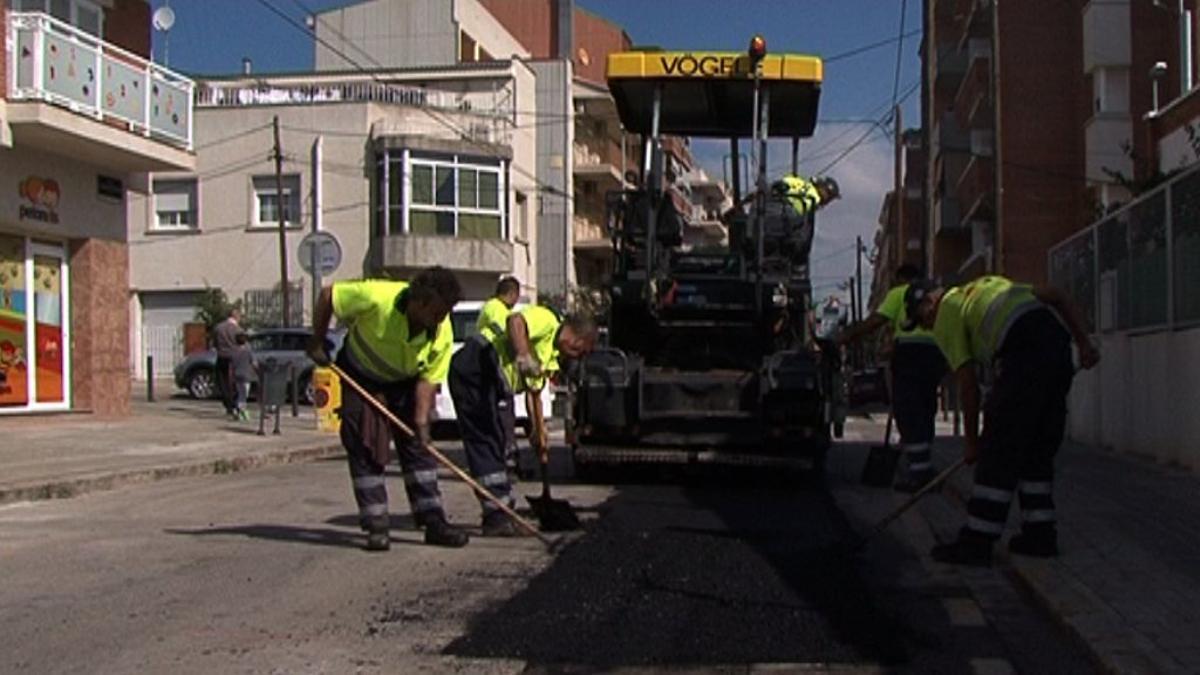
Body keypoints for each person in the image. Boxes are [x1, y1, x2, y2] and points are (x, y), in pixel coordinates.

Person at [904, 275, 1100, 566]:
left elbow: (967, 387)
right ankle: (1040, 534)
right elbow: (1057, 294)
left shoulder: (946, 313)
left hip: (1021, 352)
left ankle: (977, 542)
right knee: (1036, 450)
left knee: (997, 453)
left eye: (921, 320)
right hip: (1056, 345)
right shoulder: (990, 284)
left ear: (929, 302)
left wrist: (972, 443)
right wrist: (1084, 344)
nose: (926, 328)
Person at [307, 267, 469, 552]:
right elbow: (328, 295)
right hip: (361, 376)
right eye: (437, 313)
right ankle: (376, 525)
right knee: (365, 444)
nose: (441, 320)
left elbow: (428, 380)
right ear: (419, 303)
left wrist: (421, 423)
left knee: (419, 450)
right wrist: (317, 340)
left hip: (405, 383)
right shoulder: (379, 297)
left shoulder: (441, 332)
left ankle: (433, 521)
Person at [449, 304, 597, 536]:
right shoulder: (547, 321)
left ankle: (499, 512)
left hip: (490, 381)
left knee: (498, 443)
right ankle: (497, 517)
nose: (576, 357)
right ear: (576, 338)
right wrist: (524, 355)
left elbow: (534, 394)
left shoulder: (551, 356)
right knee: (486, 442)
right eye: (580, 351)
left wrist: (538, 431)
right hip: (476, 364)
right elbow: (516, 321)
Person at [838, 265, 948, 491]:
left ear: (902, 279)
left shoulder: (900, 294)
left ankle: (919, 473)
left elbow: (876, 321)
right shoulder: (934, 295)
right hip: (935, 354)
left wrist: (845, 337)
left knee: (908, 411)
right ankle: (923, 463)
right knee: (926, 410)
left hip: (909, 354)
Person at [476, 276, 523, 479]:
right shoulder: (495, 308)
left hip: (502, 377)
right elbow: (504, 332)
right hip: (497, 376)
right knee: (502, 424)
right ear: (512, 294)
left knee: (506, 422)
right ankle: (504, 464)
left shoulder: (499, 309)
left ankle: (509, 462)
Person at [213, 307, 244, 418]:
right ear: (236, 317)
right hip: (234, 358)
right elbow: (242, 344)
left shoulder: (218, 328)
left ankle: (228, 405)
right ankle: (235, 404)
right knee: (234, 382)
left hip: (221, 357)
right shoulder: (238, 330)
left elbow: (215, 343)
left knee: (223, 382)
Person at [231, 332, 255, 422]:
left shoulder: (234, 352)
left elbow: (232, 365)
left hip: (237, 375)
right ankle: (242, 412)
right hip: (246, 375)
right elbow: (253, 362)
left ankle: (237, 411)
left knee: (240, 393)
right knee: (244, 395)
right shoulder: (248, 351)